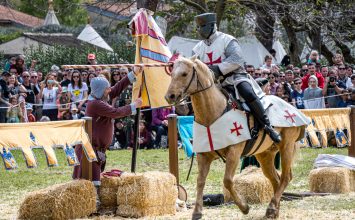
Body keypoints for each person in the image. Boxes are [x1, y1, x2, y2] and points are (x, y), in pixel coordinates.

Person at [192, 13, 281, 142]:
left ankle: (267, 126)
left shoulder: (227, 40)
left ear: (211, 26)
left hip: (235, 77)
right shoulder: (197, 48)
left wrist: (215, 69)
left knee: (247, 92)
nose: (199, 29)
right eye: (198, 27)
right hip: (214, 83)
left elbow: (236, 60)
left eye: (202, 26)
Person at [72, 67, 143, 207]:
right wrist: (134, 106)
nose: (109, 90)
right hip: (89, 149)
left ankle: (92, 204)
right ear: (100, 90)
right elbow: (116, 112)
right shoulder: (96, 104)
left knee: (94, 178)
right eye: (106, 89)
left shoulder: (100, 97)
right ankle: (92, 205)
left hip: (96, 149)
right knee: (91, 182)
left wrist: (133, 73)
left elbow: (116, 89)